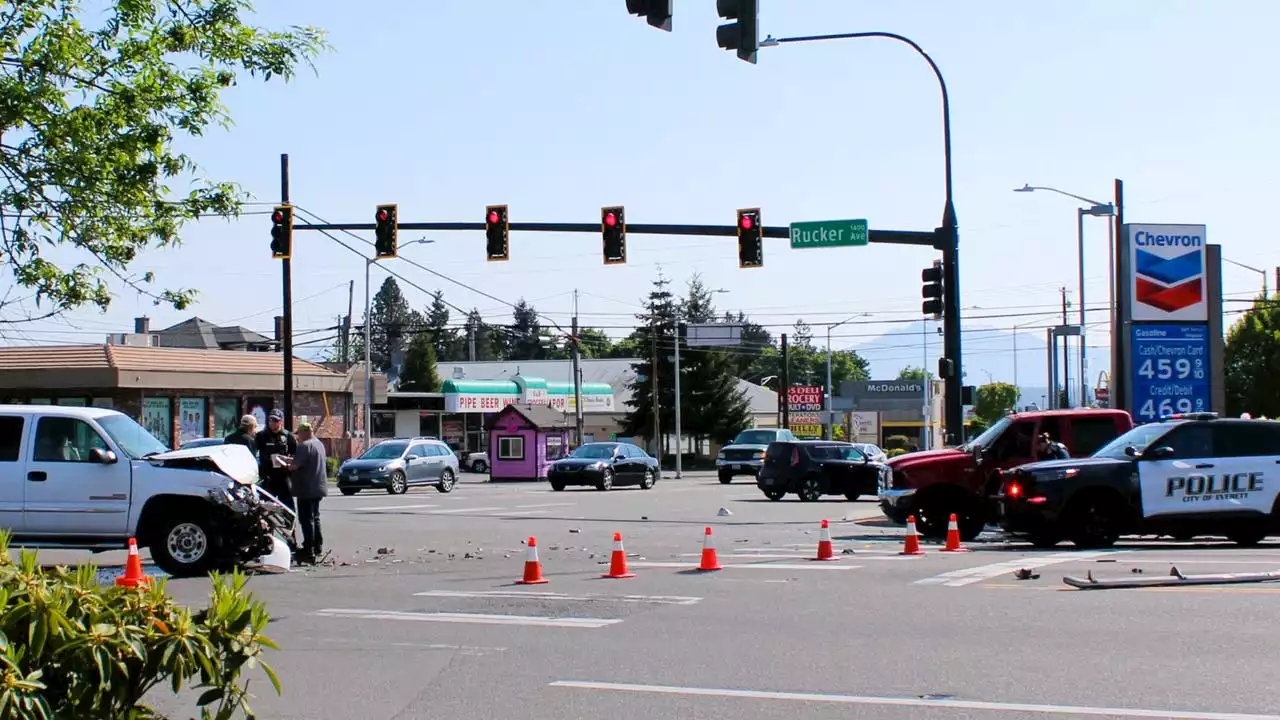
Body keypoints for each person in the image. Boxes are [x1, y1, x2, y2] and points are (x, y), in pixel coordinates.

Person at [288, 421, 328, 563]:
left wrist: (286, 464)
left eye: (299, 434)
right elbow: (309, 461)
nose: (298, 437)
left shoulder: (304, 446)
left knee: (306, 519)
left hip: (306, 488)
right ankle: (318, 546)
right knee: (315, 517)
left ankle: (308, 549)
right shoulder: (319, 444)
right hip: (318, 486)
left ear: (304, 433)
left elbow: (295, 466)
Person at [255, 408, 297, 511]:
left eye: (275, 420)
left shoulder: (288, 436)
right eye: (270, 420)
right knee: (264, 503)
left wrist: (287, 460)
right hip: (267, 474)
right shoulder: (261, 436)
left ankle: (289, 524)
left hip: (283, 474)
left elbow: (296, 454)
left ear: (281, 421)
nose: (272, 423)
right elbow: (253, 452)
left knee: (287, 503)